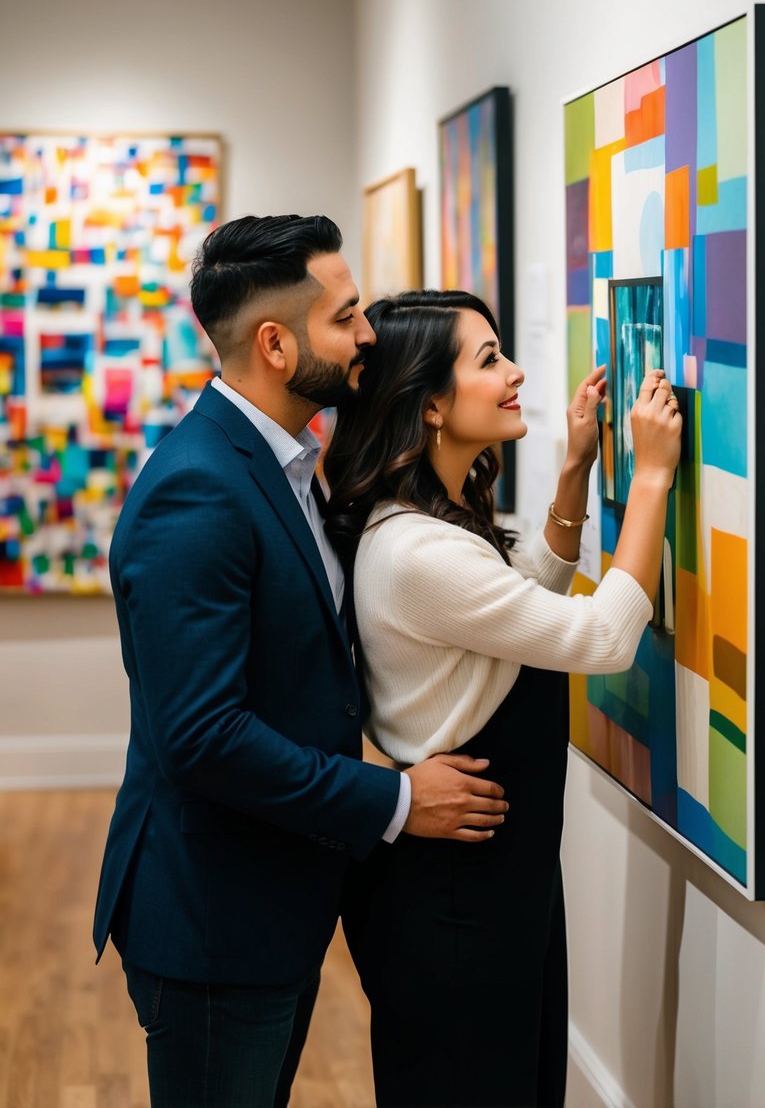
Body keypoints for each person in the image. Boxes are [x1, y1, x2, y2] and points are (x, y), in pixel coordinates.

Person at [92, 221, 509, 1108]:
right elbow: (201, 738)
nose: (367, 336)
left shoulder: (284, 465)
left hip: (274, 901)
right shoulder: (198, 489)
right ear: (275, 345)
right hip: (214, 920)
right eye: (346, 317)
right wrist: (397, 800)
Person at [324, 290, 682, 1108]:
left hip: (489, 887)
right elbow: (599, 638)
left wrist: (574, 469)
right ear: (432, 405)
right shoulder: (415, 552)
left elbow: (513, 608)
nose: (516, 371)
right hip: (454, 905)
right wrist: (654, 473)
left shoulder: (428, 525)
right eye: (488, 359)